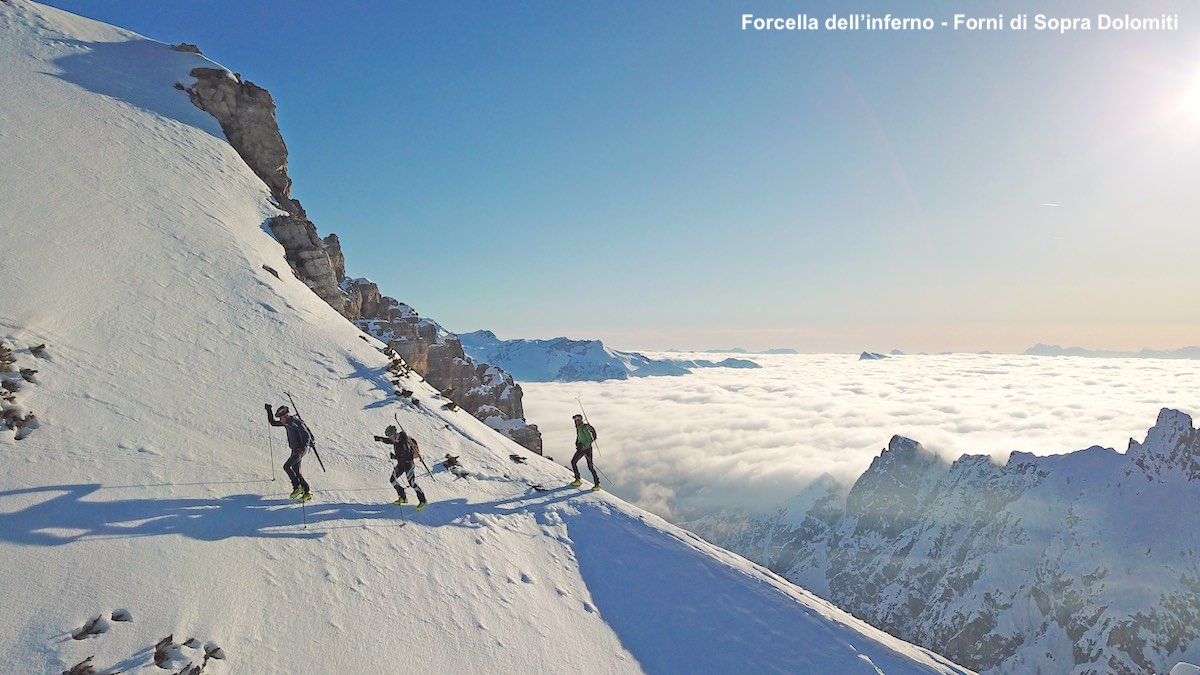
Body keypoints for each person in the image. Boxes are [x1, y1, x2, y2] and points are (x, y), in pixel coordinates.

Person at [373, 425, 427, 510]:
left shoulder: (404, 442)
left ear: (395, 434)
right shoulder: (397, 439)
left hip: (408, 465)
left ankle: (423, 501)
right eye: (389, 437)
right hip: (401, 464)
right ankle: (403, 497)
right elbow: (390, 441)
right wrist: (380, 439)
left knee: (412, 483)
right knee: (392, 480)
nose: (390, 438)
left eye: (390, 436)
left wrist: (395, 457)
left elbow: (406, 455)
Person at [265, 403, 312, 501]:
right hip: (295, 449)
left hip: (299, 450)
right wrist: (269, 410)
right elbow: (273, 422)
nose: (279, 420)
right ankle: (307, 492)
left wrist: (302, 448)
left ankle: (297, 488)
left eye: (280, 417)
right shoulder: (286, 422)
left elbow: (306, 435)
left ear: (285, 416)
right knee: (295, 470)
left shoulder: (295, 422)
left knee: (287, 466)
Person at [570, 413, 600, 491]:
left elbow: (590, 439)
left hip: (587, 449)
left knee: (590, 466)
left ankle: (596, 484)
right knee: (573, 462)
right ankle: (578, 480)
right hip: (582, 449)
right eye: (575, 420)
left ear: (580, 420)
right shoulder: (579, 428)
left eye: (576, 420)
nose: (575, 422)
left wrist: (582, 445)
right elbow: (579, 437)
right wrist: (577, 442)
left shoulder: (583, 428)